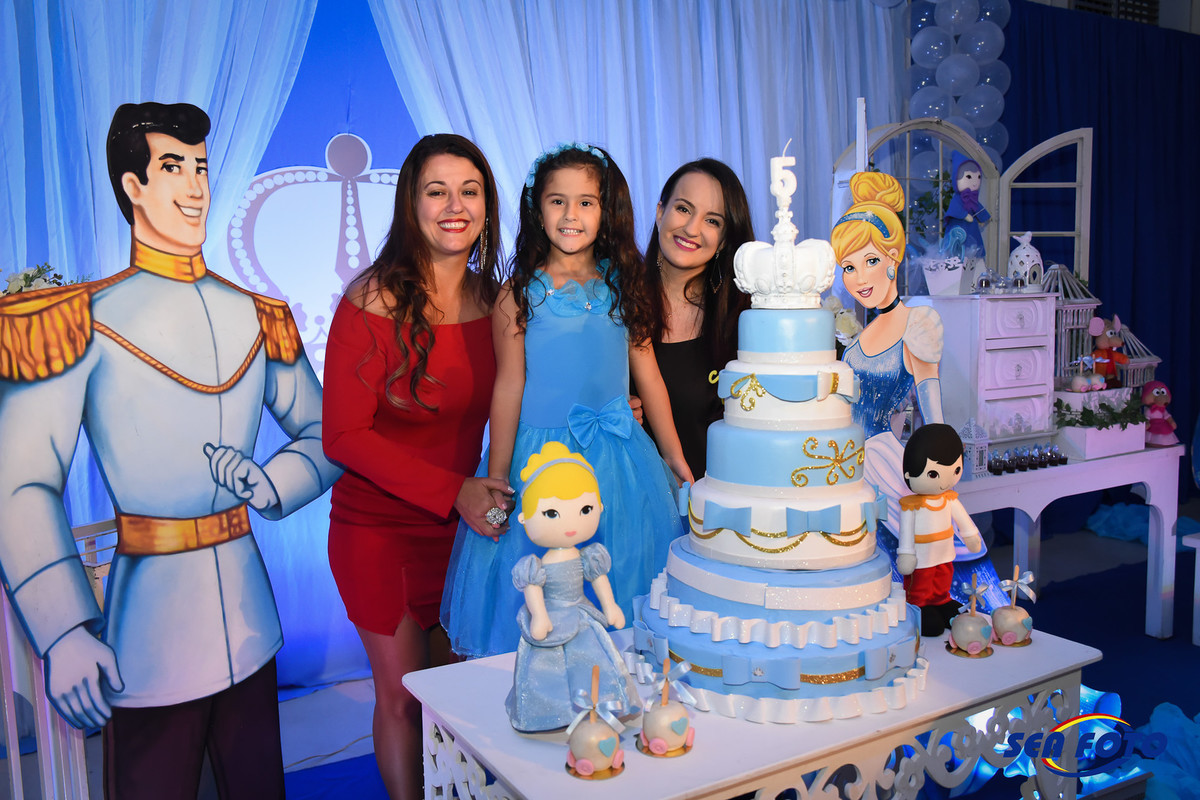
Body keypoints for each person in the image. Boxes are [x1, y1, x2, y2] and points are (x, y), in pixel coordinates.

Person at [0, 102, 341, 799]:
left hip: (250, 625)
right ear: (133, 185)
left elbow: (325, 433)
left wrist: (272, 482)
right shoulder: (75, 319)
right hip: (149, 640)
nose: (194, 186)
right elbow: (20, 481)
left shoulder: (261, 315)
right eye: (173, 167)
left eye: (202, 168)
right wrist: (63, 631)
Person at [441, 143, 691, 659]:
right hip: (542, 461)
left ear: (606, 211)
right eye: (558, 201)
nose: (571, 215)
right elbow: (509, 386)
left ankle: (613, 686)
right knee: (541, 590)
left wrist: (673, 456)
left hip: (619, 458)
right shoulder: (518, 294)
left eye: (586, 202)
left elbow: (650, 377)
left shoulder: (624, 286)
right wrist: (500, 476)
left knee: (622, 574)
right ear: (538, 210)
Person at [321, 133, 510, 799]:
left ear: (487, 206)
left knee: (455, 700)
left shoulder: (499, 303)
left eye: (469, 191)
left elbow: (530, 394)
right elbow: (343, 436)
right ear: (411, 204)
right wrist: (453, 490)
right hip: (379, 533)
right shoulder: (369, 300)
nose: (455, 206)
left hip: (464, 532)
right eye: (437, 191)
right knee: (403, 698)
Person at [833, 171, 1004, 612]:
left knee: (922, 559)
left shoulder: (916, 324)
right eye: (849, 267)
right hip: (842, 462)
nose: (859, 277)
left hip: (883, 460)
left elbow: (933, 415)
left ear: (893, 258)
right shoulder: (857, 339)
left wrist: (942, 467)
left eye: (870, 261)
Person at [505, 441, 640, 733]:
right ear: (525, 519)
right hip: (553, 619)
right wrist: (540, 616)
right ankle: (550, 713)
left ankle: (598, 704)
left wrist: (610, 607)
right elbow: (533, 589)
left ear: (599, 508)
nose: (570, 524)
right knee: (548, 669)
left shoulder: (588, 556)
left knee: (592, 661)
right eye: (552, 513)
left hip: (583, 617)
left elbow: (598, 579)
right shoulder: (535, 565)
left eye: (585, 509)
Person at [641, 158, 755, 478]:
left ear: (724, 240)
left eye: (712, 221)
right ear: (660, 212)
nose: (692, 229)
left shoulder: (745, 318)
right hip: (633, 494)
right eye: (683, 209)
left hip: (722, 496)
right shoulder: (617, 301)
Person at [898, 423, 983, 636]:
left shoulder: (950, 500)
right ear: (909, 473)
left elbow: (964, 521)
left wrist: (971, 536)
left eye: (955, 470)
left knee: (943, 579)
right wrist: (906, 554)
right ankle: (919, 607)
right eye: (934, 474)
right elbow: (906, 533)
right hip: (921, 557)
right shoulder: (911, 506)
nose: (945, 481)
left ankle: (942, 601)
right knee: (921, 585)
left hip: (945, 553)